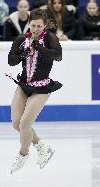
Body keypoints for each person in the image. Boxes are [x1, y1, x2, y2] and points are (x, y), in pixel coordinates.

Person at [7, 8, 62, 174]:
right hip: (23, 85)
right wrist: (24, 54)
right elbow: (11, 61)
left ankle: (23, 154)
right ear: (29, 24)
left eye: (39, 26)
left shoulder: (50, 38)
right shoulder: (21, 39)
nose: (36, 29)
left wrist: (40, 49)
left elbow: (58, 56)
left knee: (25, 124)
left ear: (44, 25)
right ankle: (40, 144)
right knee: (16, 123)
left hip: (42, 87)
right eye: (33, 26)